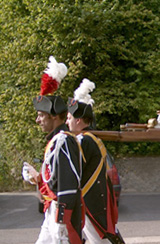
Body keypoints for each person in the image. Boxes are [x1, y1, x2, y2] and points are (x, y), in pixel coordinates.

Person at [22, 56, 84, 244]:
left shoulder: (63, 141)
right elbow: (54, 178)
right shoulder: (56, 141)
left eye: (41, 115)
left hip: (60, 213)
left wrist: (61, 220)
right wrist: (37, 177)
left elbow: (68, 182)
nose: (37, 120)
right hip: (52, 209)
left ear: (55, 117)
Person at [66, 78, 125, 244]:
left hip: (90, 201)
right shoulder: (88, 139)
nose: (66, 122)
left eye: (69, 118)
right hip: (93, 199)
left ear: (78, 120)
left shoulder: (84, 141)